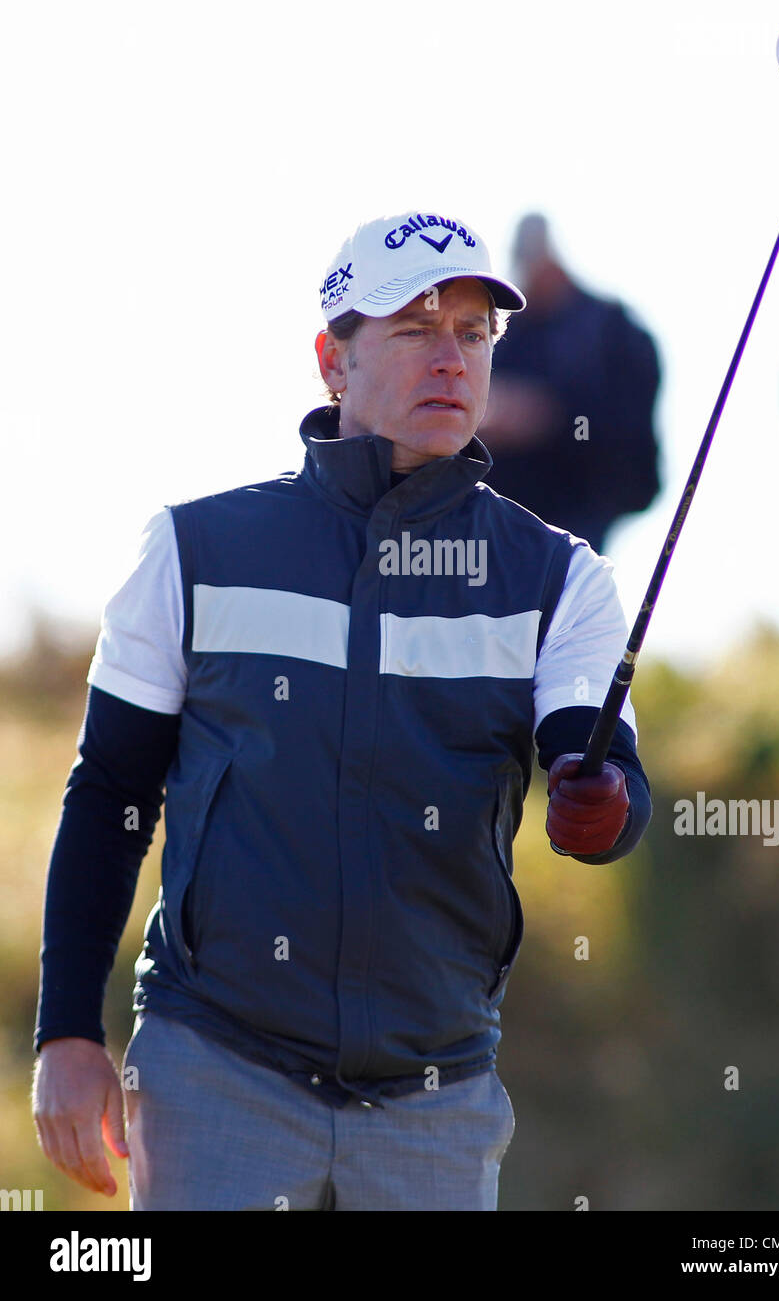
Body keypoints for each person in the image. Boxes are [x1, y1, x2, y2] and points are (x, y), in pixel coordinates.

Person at [32, 209, 651, 1212]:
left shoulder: (559, 578)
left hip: (434, 1102)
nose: (449, 357)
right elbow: (109, 793)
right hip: (213, 1074)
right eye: (412, 329)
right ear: (333, 359)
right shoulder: (194, 550)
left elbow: (599, 765)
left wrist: (604, 802)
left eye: (472, 332)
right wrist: (66, 1033)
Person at [479, 213, 662, 554]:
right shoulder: (509, 335)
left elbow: (627, 431)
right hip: (506, 520)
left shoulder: (615, 330)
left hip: (585, 505)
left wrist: (550, 419)